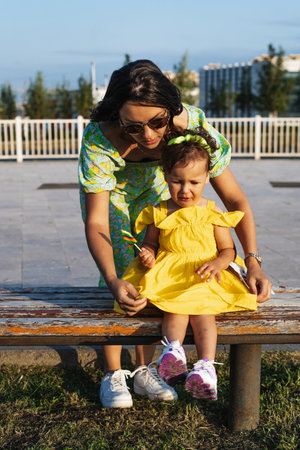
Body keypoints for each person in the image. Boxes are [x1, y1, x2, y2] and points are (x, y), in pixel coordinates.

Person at [78, 59, 272, 409]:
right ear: (116, 115)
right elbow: (96, 223)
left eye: (157, 122)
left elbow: (233, 199)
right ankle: (112, 373)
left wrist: (253, 262)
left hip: (162, 189)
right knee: (126, 278)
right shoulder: (99, 138)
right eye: (133, 128)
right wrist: (110, 278)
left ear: (171, 110)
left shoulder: (193, 126)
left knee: (159, 280)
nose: (149, 136)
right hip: (115, 199)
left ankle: (143, 370)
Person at [119, 129, 258, 400]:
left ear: (207, 177)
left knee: (205, 315)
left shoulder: (213, 212)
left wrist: (219, 263)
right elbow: (151, 244)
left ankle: (206, 367)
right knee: (175, 309)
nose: (185, 190)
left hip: (204, 273)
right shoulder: (159, 211)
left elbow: (228, 249)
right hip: (172, 275)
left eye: (194, 182)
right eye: (176, 182)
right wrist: (147, 254)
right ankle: (173, 351)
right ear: (165, 176)